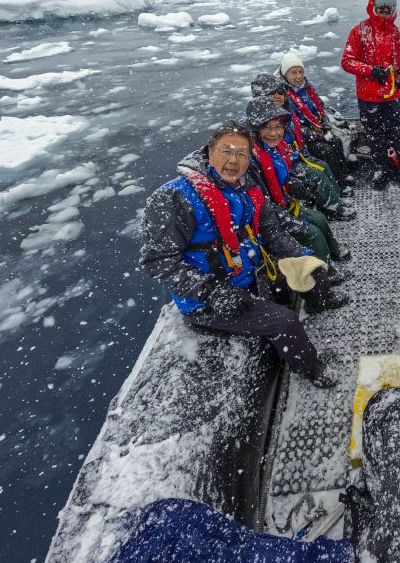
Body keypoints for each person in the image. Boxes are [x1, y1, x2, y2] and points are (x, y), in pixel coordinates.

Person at [139, 123, 346, 388]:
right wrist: (211, 292)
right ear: (209, 152)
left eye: (242, 154)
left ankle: (317, 302)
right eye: (226, 151)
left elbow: (271, 232)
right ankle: (311, 369)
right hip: (214, 298)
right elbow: (158, 261)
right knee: (285, 321)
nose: (234, 161)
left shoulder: (246, 189)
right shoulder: (174, 197)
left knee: (313, 271)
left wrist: (302, 256)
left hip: (250, 273)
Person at [245, 97, 353, 296]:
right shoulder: (251, 162)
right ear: (255, 130)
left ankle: (331, 253)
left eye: (278, 127)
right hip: (269, 217)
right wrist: (287, 218)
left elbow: (280, 177)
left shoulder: (273, 149)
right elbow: (260, 202)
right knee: (312, 233)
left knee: (320, 219)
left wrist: (296, 184)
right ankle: (324, 272)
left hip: (282, 204)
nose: (274, 132)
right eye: (267, 127)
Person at [250, 72, 355, 222]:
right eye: (271, 93)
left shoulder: (285, 112)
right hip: (289, 163)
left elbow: (297, 132)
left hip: (297, 154)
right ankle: (332, 208)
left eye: (280, 91)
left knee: (323, 165)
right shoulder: (261, 122)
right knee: (318, 175)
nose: (277, 96)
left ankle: (334, 198)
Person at [341, 0, 400, 189]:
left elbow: (399, 64)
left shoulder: (399, 35)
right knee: (374, 134)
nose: (385, 8)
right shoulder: (359, 31)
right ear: (373, 4)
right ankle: (380, 168)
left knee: (398, 132)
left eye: (391, 4)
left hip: (391, 96)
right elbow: (347, 61)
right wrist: (371, 71)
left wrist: (394, 78)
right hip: (368, 97)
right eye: (381, 3)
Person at [275, 54, 353, 186]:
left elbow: (320, 109)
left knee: (337, 141)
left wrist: (326, 125)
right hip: (302, 137)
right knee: (325, 150)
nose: (299, 76)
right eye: (294, 73)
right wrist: (319, 136)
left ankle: (342, 174)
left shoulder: (308, 89)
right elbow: (294, 127)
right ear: (285, 75)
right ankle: (337, 182)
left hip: (316, 128)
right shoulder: (284, 96)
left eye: (301, 71)